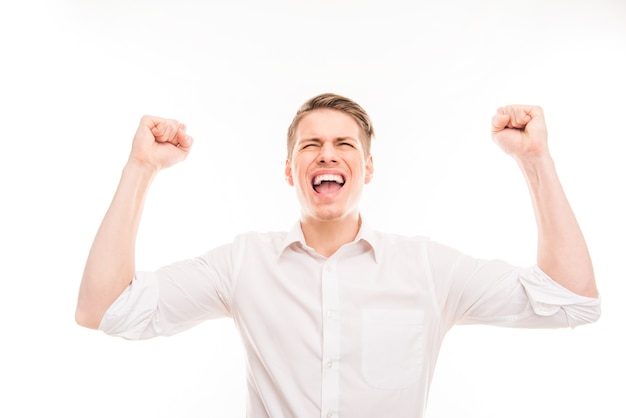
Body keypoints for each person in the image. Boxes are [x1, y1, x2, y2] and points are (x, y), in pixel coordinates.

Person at [76, 93, 600, 417]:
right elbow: (103, 309)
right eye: (311, 145)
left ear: (367, 168)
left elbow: (573, 300)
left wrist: (535, 160)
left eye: (345, 145)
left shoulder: (428, 270)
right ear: (289, 170)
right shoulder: (242, 265)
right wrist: (141, 168)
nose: (327, 153)